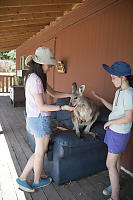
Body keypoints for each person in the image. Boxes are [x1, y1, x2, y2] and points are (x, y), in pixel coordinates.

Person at [16, 46, 75, 192]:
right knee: (39, 152)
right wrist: (63, 108)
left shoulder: (35, 77)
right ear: (40, 63)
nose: (50, 67)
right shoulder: (35, 80)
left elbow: (53, 92)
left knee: (39, 152)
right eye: (49, 64)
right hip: (39, 120)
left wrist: (69, 95)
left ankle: (30, 179)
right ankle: (27, 179)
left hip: (34, 119)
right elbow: (42, 106)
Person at [92, 61, 133, 200]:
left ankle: (115, 196)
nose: (112, 80)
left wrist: (110, 122)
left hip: (119, 133)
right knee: (116, 161)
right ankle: (115, 184)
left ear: (123, 78)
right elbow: (115, 110)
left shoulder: (128, 94)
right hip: (114, 131)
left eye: (114, 78)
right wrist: (101, 99)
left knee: (109, 164)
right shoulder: (119, 92)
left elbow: (128, 118)